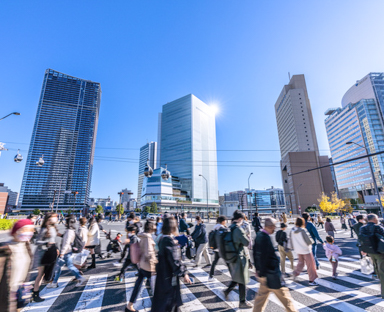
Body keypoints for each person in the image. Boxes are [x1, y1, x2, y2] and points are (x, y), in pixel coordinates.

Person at [253, 218, 297, 312]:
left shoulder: (259, 235)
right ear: (270, 226)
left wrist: (259, 271)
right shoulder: (265, 238)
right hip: (272, 274)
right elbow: (266, 257)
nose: (275, 228)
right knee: (286, 299)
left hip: (264, 274)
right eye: (274, 226)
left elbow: (256, 254)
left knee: (260, 300)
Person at [152, 216, 192, 312]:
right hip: (169, 279)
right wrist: (184, 273)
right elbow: (175, 261)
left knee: (166, 305)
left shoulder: (162, 238)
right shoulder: (169, 241)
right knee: (169, 305)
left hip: (162, 277)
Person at [0, 219, 34, 312]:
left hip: (19, 291)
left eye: (31, 230)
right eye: (25, 230)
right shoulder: (5, 249)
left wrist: (26, 284)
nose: (29, 233)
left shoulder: (26, 247)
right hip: (6, 293)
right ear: (16, 231)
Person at [126, 219, 157, 312]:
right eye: (154, 225)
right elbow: (149, 253)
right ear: (151, 227)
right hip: (149, 266)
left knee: (138, 285)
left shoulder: (143, 235)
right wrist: (155, 263)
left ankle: (130, 305)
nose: (156, 227)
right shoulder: (147, 237)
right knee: (155, 289)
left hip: (143, 264)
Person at [48, 215, 86, 288]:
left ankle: (79, 277)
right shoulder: (71, 230)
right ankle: (55, 282)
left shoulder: (69, 231)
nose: (65, 222)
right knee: (65, 267)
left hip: (65, 252)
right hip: (67, 252)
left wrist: (62, 253)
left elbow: (66, 243)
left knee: (59, 267)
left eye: (66, 221)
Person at [224, 210, 252, 309]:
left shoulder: (229, 227)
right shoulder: (238, 230)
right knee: (242, 280)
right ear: (240, 219)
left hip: (231, 256)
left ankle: (227, 291)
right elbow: (246, 242)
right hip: (239, 257)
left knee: (237, 278)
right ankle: (242, 302)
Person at [32, 212, 60, 302]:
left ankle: (35, 292)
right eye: (54, 217)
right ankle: (35, 294)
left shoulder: (52, 227)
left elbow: (53, 240)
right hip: (42, 254)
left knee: (43, 274)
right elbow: (37, 241)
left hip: (49, 253)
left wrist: (55, 248)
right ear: (49, 219)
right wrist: (46, 243)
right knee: (40, 274)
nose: (56, 218)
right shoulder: (44, 229)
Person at [359, 214, 384, 298]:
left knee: (377, 269)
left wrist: (363, 249)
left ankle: (381, 285)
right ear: (374, 219)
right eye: (376, 218)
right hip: (380, 251)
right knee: (382, 271)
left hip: (370, 251)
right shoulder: (378, 227)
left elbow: (360, 239)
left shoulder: (362, 228)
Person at [290, 217, 319, 286]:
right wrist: (312, 242)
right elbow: (308, 241)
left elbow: (291, 241)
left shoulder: (292, 230)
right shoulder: (303, 230)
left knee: (300, 263)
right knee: (311, 266)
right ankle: (312, 280)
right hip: (306, 250)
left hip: (298, 250)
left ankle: (295, 273)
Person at [209, 216, 226, 280]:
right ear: (223, 221)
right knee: (229, 263)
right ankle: (235, 280)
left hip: (215, 247)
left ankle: (210, 276)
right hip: (221, 248)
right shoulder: (221, 228)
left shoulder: (215, 227)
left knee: (214, 262)